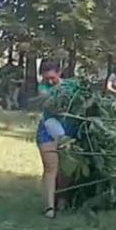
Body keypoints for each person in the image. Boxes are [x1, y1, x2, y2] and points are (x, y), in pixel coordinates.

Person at [36, 61, 80, 219]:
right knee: (50, 168)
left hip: (68, 129)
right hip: (48, 129)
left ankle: (61, 199)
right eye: (45, 78)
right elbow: (49, 102)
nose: (49, 81)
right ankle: (49, 207)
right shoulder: (42, 88)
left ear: (59, 73)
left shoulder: (72, 86)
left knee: (65, 170)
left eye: (52, 78)